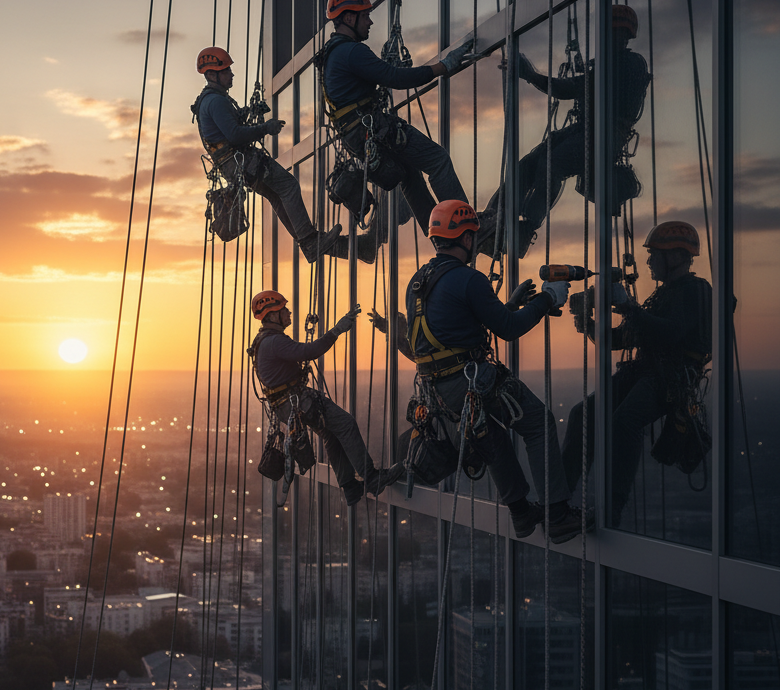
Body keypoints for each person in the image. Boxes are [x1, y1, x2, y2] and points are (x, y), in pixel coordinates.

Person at [374, 199, 593, 543]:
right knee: (538, 423)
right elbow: (508, 329)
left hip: (441, 389)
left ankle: (522, 515)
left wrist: (510, 304)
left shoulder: (418, 282)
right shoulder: (468, 279)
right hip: (473, 379)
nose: (476, 242)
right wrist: (548, 299)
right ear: (465, 239)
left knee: (491, 438)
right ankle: (558, 514)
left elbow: (454, 327)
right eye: (474, 236)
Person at [561, 221, 712, 527]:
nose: (648, 261)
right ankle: (559, 500)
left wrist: (631, 309)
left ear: (677, 256)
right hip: (645, 372)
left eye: (655, 254)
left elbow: (673, 332)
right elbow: (622, 340)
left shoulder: (696, 292)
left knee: (625, 421)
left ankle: (612, 508)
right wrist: (588, 324)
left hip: (668, 378)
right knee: (582, 415)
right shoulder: (664, 296)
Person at [478, 4, 651, 257]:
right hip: (586, 130)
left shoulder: (628, 65)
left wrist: (530, 75)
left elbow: (569, 89)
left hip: (606, 135)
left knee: (552, 164)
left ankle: (526, 228)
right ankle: (495, 217)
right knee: (529, 164)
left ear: (622, 37)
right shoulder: (609, 64)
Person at [314, 0, 479, 235]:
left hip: (358, 135)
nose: (370, 21)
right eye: (365, 15)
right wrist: (443, 67)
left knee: (410, 175)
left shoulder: (331, 54)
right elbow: (397, 78)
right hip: (373, 129)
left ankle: (441, 236)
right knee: (437, 160)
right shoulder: (351, 51)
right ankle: (462, 227)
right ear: (349, 18)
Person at [248, 289, 403, 506]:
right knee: (346, 424)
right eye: (284, 309)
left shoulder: (265, 340)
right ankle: (372, 478)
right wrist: (337, 330)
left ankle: (350, 488)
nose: (289, 312)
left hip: (288, 404)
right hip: (299, 401)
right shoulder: (274, 342)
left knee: (330, 434)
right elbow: (309, 351)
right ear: (273, 315)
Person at [192, 46, 344, 263]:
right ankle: (310, 241)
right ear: (211, 75)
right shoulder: (215, 101)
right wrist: (266, 128)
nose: (231, 74)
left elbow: (228, 128)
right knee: (288, 186)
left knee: (277, 195)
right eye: (226, 71)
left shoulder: (210, 101)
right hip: (245, 163)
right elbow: (234, 135)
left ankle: (308, 242)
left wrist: (247, 112)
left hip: (236, 167)